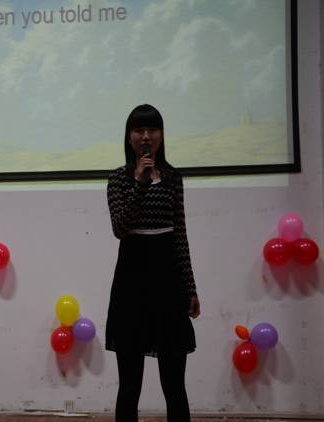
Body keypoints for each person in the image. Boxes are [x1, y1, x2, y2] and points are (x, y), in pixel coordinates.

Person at [105, 104, 200, 422]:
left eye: (152, 129)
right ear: (129, 136)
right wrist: (140, 182)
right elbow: (120, 228)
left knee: (174, 384)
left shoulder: (173, 178)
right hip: (131, 281)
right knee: (129, 384)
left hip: (168, 279)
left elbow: (180, 234)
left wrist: (190, 287)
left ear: (161, 135)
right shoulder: (118, 179)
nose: (146, 136)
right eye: (138, 130)